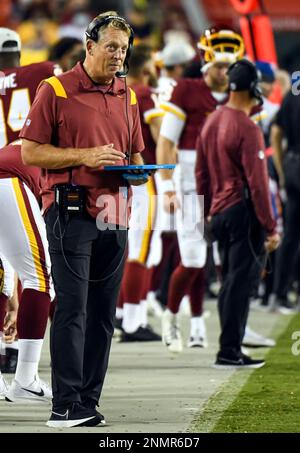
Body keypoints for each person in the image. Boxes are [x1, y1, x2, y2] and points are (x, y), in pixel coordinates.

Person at [20, 11, 145, 428]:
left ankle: (88, 402)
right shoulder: (54, 89)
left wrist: (140, 171)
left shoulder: (128, 93)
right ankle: (64, 406)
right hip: (70, 210)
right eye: (110, 46)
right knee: (73, 310)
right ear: (89, 45)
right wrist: (85, 156)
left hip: (115, 211)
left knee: (103, 313)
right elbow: (30, 152)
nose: (117, 55)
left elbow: (136, 151)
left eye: (123, 49)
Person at [157, 28, 245, 352]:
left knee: (231, 264)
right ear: (207, 64)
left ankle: (231, 332)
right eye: (219, 66)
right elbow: (166, 142)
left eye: (229, 66)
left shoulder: (243, 94)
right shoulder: (187, 90)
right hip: (191, 183)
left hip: (229, 186)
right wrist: (166, 186)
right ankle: (170, 316)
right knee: (193, 260)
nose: (224, 72)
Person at [195, 59, 280, 368]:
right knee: (239, 283)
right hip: (243, 212)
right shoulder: (247, 127)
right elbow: (258, 184)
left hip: (218, 212)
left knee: (230, 281)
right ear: (253, 87)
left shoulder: (212, 120)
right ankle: (229, 350)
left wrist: (205, 215)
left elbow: (200, 174)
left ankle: (228, 347)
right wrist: (270, 226)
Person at [0, 26, 59, 397]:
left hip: (8, 174)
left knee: (4, 281)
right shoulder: (43, 74)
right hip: (10, 175)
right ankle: (24, 379)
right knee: (40, 277)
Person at [269, 80, 300, 313]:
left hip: (292, 166)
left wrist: (281, 169)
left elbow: (276, 132)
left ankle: (278, 294)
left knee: (290, 235)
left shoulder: (293, 93)